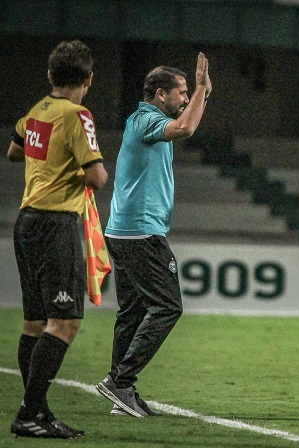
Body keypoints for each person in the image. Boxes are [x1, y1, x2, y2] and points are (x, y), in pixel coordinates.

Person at [95, 53, 212, 417]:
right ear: (161, 94)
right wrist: (203, 89)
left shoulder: (144, 121)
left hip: (124, 230)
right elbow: (186, 129)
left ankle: (121, 390)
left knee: (132, 311)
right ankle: (121, 381)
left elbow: (184, 123)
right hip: (140, 232)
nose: (185, 98)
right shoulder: (147, 119)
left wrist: (201, 94)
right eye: (182, 92)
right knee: (167, 306)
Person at [8, 40, 108, 438]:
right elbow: (97, 177)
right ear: (89, 80)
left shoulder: (37, 111)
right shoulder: (78, 116)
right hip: (55, 224)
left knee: (35, 323)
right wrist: (74, 171)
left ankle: (40, 413)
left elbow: (14, 151)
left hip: (26, 223)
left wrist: (49, 163)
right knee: (64, 322)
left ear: (50, 75)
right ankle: (28, 414)